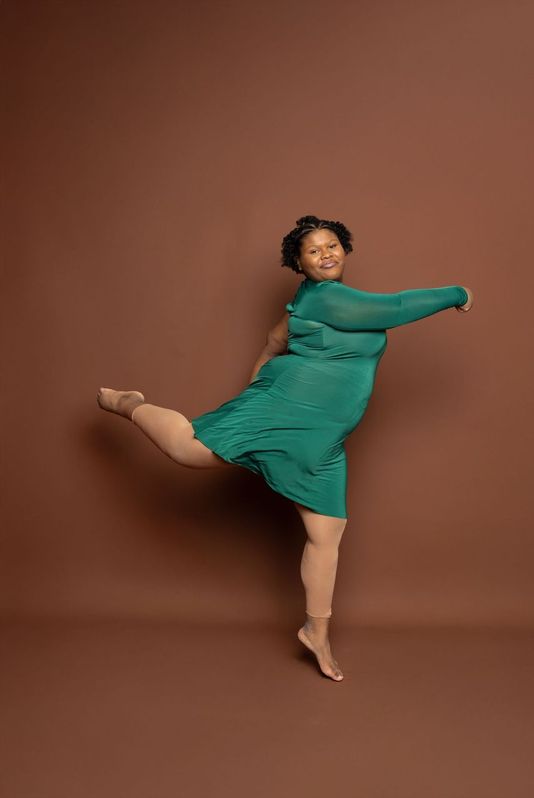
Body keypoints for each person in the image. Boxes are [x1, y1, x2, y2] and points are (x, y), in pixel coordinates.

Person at [97, 214, 474, 682]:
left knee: (327, 531)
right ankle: (131, 405)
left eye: (332, 245)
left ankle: (317, 632)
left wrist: (259, 372)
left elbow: (276, 338)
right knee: (188, 450)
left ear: (345, 248)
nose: (325, 254)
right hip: (286, 410)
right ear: (299, 263)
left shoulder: (308, 301)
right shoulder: (327, 297)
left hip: (321, 438)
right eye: (313, 251)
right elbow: (396, 307)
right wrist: (458, 293)